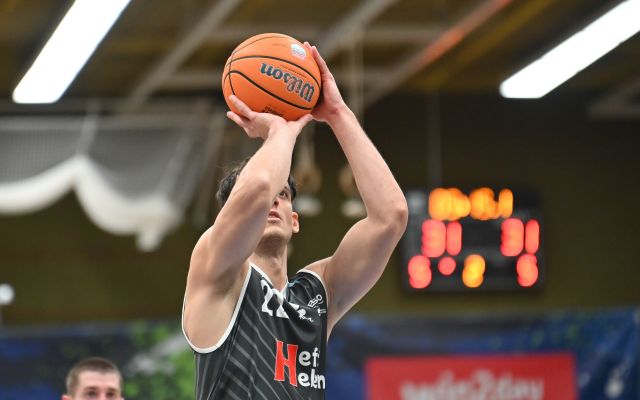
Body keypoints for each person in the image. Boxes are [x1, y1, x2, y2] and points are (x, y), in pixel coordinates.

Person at [182, 42, 408, 399]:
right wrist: (281, 132)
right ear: (231, 217)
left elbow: (391, 216)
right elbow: (258, 187)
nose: (273, 201)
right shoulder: (219, 272)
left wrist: (337, 113)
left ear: (295, 220)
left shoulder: (317, 293)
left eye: (284, 196)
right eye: (266, 199)